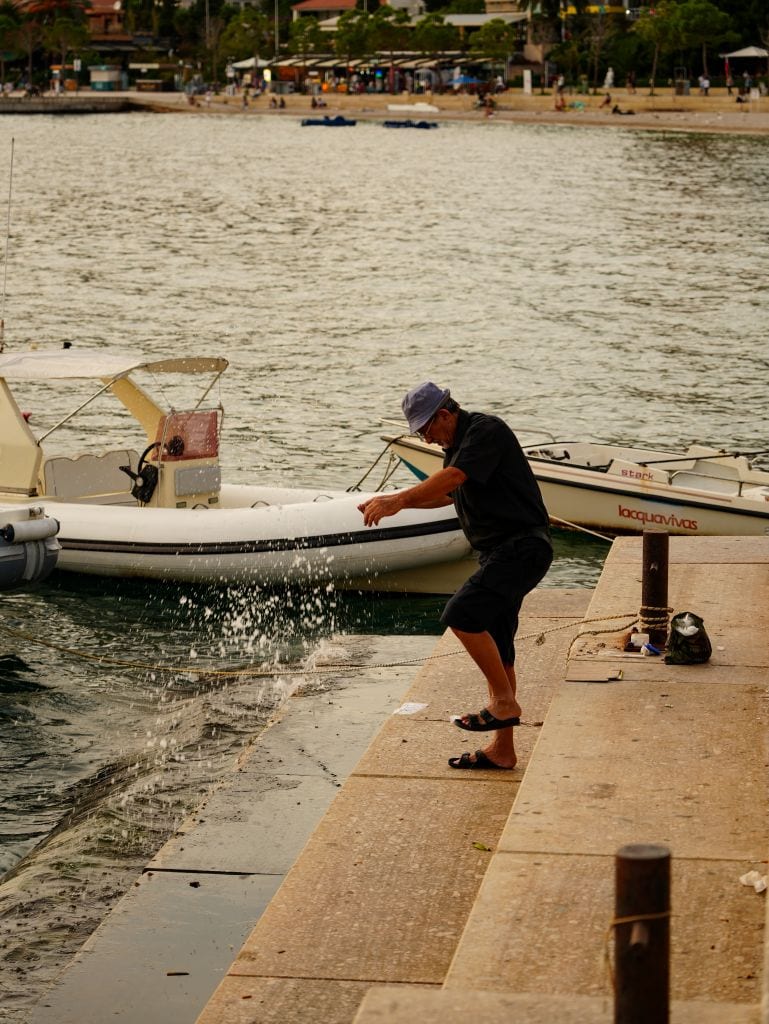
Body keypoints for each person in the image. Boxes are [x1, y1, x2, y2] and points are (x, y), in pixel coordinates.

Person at [358, 382, 553, 772]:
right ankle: (503, 749)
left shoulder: (485, 431)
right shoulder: (456, 446)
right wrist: (400, 506)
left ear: (445, 415)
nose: (428, 440)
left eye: (428, 431)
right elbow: (447, 495)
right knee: (500, 645)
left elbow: (454, 479)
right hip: (498, 554)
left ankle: (503, 702)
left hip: (521, 548)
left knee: (460, 615)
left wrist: (398, 499)